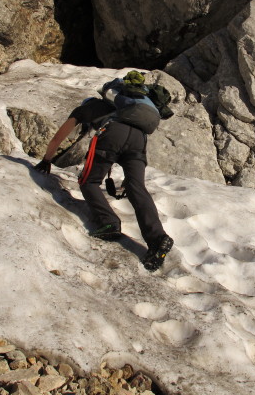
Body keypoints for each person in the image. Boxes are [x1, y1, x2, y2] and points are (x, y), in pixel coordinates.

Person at [34, 72, 173, 272]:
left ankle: (109, 223)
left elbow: (58, 137)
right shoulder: (124, 106)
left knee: (88, 181)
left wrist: (47, 160)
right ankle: (158, 239)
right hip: (139, 139)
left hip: (112, 134)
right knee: (137, 187)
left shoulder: (86, 108)